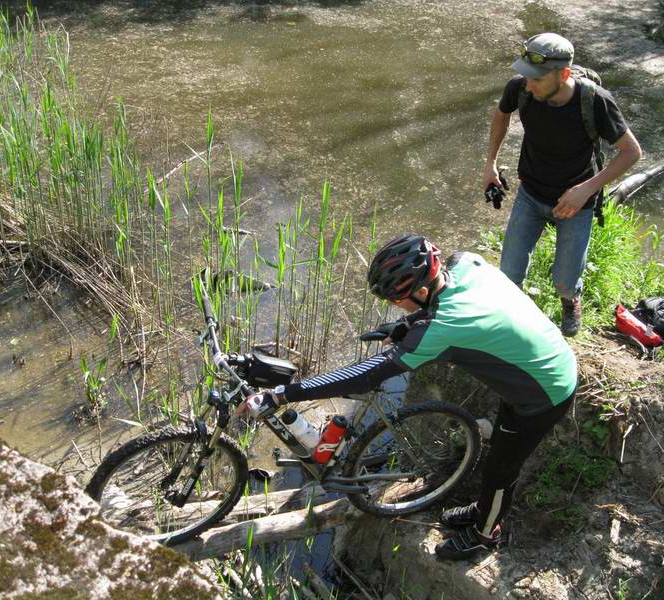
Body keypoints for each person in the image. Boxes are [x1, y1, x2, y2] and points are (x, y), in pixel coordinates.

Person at [236, 234, 578, 561]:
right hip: (539, 357)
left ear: (423, 288)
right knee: (499, 452)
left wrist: (283, 394)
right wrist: (406, 325)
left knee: (500, 468)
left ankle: (486, 535)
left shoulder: (444, 326)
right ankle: (483, 510)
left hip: (544, 391)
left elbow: (368, 373)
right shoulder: (465, 263)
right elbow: (453, 310)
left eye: (395, 300)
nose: (392, 306)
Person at [483, 32, 642, 336]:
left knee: (565, 280)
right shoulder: (520, 88)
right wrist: (490, 164)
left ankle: (571, 302)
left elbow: (632, 152)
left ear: (564, 74)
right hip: (531, 192)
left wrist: (586, 189)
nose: (528, 84)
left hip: (575, 202)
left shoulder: (594, 101)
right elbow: (501, 116)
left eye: (537, 79)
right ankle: (510, 322)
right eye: (526, 76)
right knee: (509, 274)